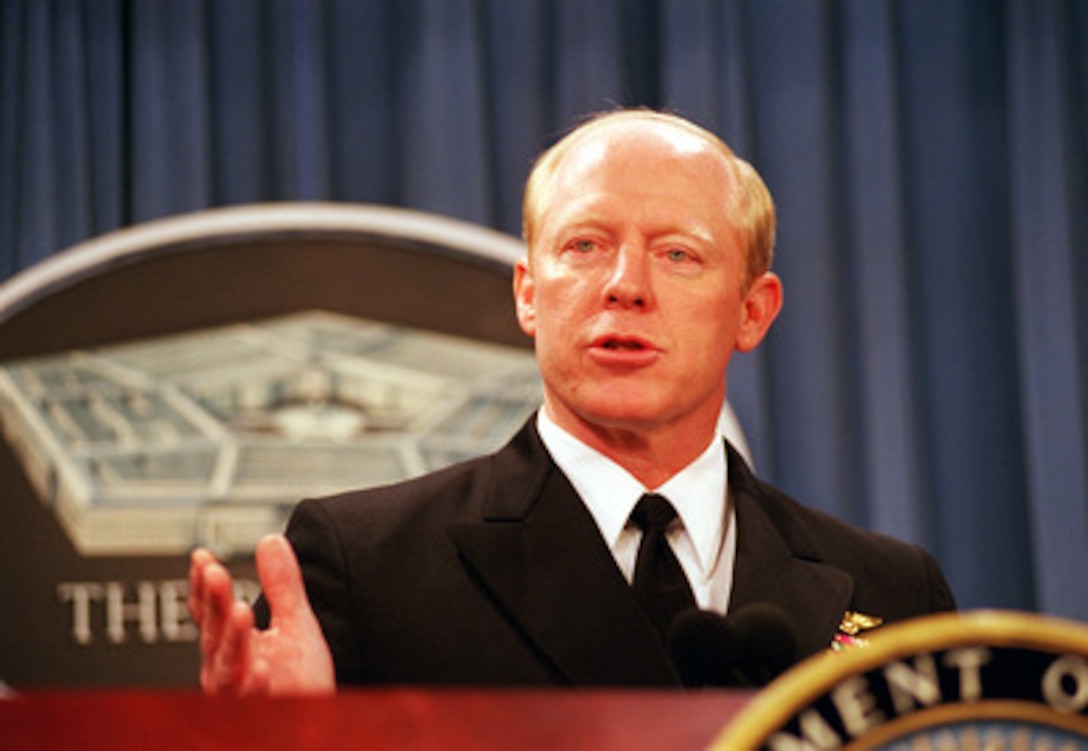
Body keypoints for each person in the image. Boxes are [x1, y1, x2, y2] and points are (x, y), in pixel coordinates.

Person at [189, 109, 955, 695]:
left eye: (678, 254)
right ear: (529, 293)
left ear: (753, 311)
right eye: (584, 245)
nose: (625, 284)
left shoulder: (892, 590)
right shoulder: (365, 565)